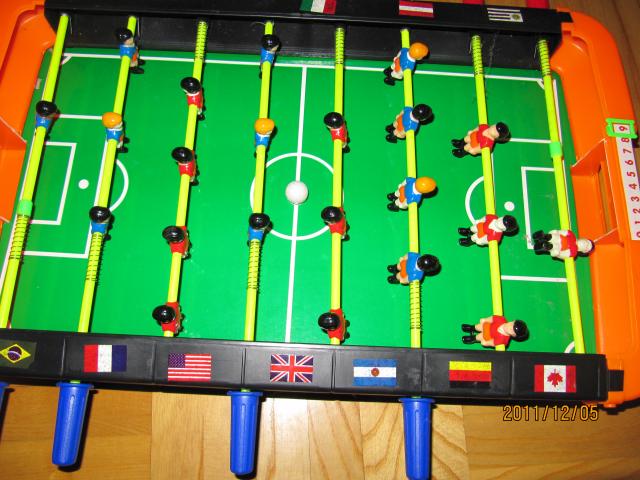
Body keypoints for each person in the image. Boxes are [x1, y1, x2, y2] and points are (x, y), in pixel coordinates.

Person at [461, 316, 528, 348]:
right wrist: (485, 319)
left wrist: (487, 343)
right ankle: (471, 328)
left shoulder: (503, 340)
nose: (509, 327)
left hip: (488, 335)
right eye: (511, 324)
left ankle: (473, 338)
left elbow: (493, 343)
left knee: (479, 337)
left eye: (512, 330)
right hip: (487, 326)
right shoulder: (502, 319)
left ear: (514, 335)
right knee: (478, 326)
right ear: (512, 321)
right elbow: (492, 318)